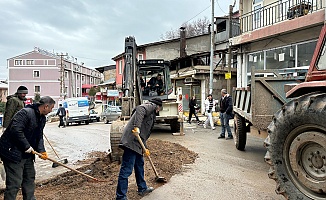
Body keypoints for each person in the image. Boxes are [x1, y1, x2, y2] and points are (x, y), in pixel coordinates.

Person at [0, 96, 55, 200]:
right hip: (12, 152)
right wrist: (27, 146)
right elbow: (16, 130)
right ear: (46, 106)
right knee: (15, 182)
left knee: (29, 178)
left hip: (27, 154)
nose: (51, 110)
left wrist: (42, 150)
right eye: (51, 108)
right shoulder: (25, 113)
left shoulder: (42, 118)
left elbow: (39, 136)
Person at [116, 97, 162, 200]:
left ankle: (142, 188)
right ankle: (120, 197)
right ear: (158, 106)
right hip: (131, 142)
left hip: (137, 144)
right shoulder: (151, 106)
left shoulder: (151, 114)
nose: (159, 110)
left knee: (139, 165)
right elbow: (140, 109)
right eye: (160, 108)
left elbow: (143, 133)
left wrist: (145, 148)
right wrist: (136, 126)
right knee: (126, 170)